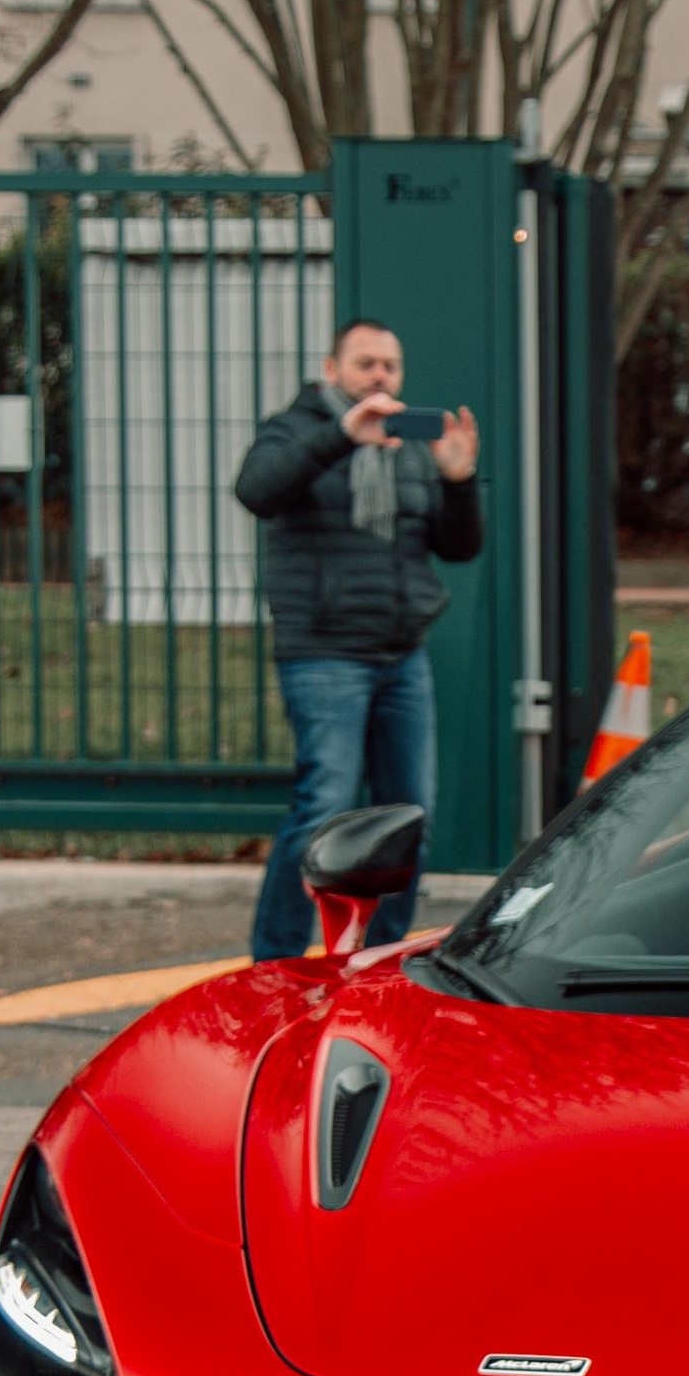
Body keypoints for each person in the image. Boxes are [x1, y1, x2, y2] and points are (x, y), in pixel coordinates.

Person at [238, 318, 481, 961]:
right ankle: (279, 958)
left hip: (401, 654)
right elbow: (257, 491)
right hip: (323, 650)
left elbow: (458, 547)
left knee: (410, 820)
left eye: (391, 367)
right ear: (333, 369)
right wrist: (343, 437)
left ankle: (379, 960)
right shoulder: (297, 429)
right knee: (324, 806)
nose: (381, 378)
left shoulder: (409, 448)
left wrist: (458, 481)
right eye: (366, 364)